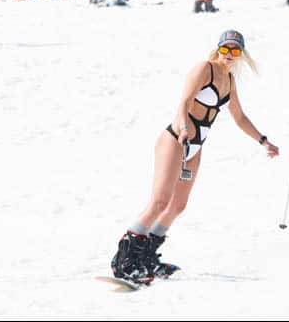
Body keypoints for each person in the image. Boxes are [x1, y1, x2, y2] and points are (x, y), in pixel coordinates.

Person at [110, 30, 279, 283]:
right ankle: (124, 259)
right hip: (177, 138)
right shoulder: (205, 69)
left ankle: (146, 257)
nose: (230, 55)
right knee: (159, 201)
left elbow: (240, 117)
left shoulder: (230, 81)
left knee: (178, 205)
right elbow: (184, 104)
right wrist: (183, 128)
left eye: (235, 51)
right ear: (218, 49)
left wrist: (263, 140)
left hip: (196, 146)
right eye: (226, 49)